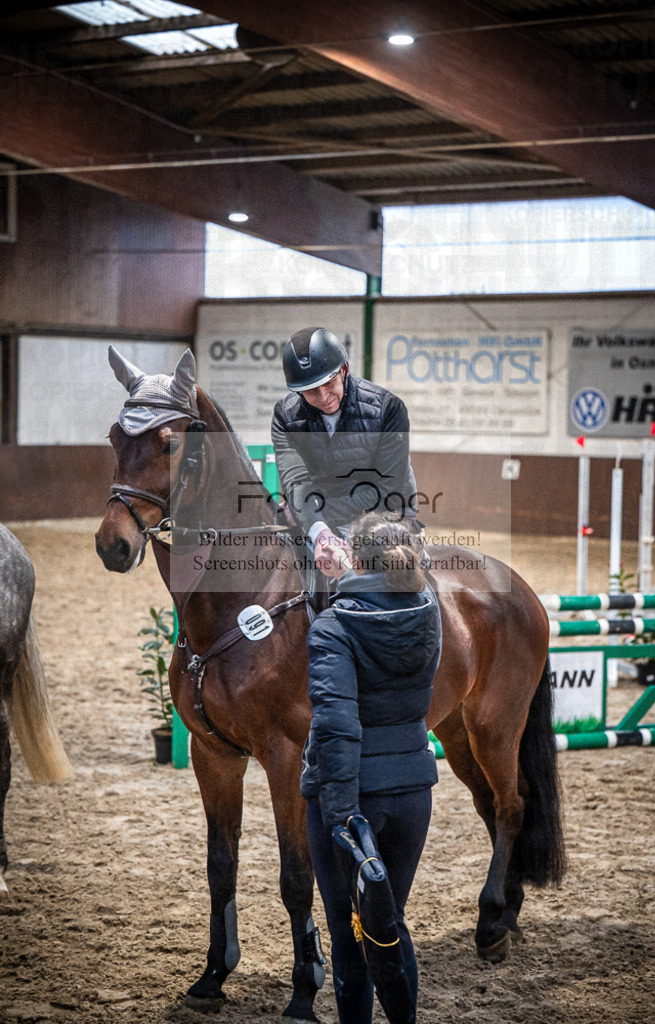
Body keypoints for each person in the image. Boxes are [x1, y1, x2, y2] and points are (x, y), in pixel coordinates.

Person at [300, 513, 442, 1024]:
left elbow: (337, 727)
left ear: (354, 560)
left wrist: (341, 819)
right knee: (389, 922)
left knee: (348, 933)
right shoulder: (430, 610)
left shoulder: (333, 626)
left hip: (352, 798)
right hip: (412, 794)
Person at [272, 326, 419, 578]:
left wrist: (310, 512)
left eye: (329, 383)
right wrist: (320, 531)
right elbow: (296, 482)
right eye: (310, 391)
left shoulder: (389, 409)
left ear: (344, 370)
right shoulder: (285, 416)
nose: (323, 397)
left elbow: (386, 491)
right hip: (319, 519)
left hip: (384, 517)